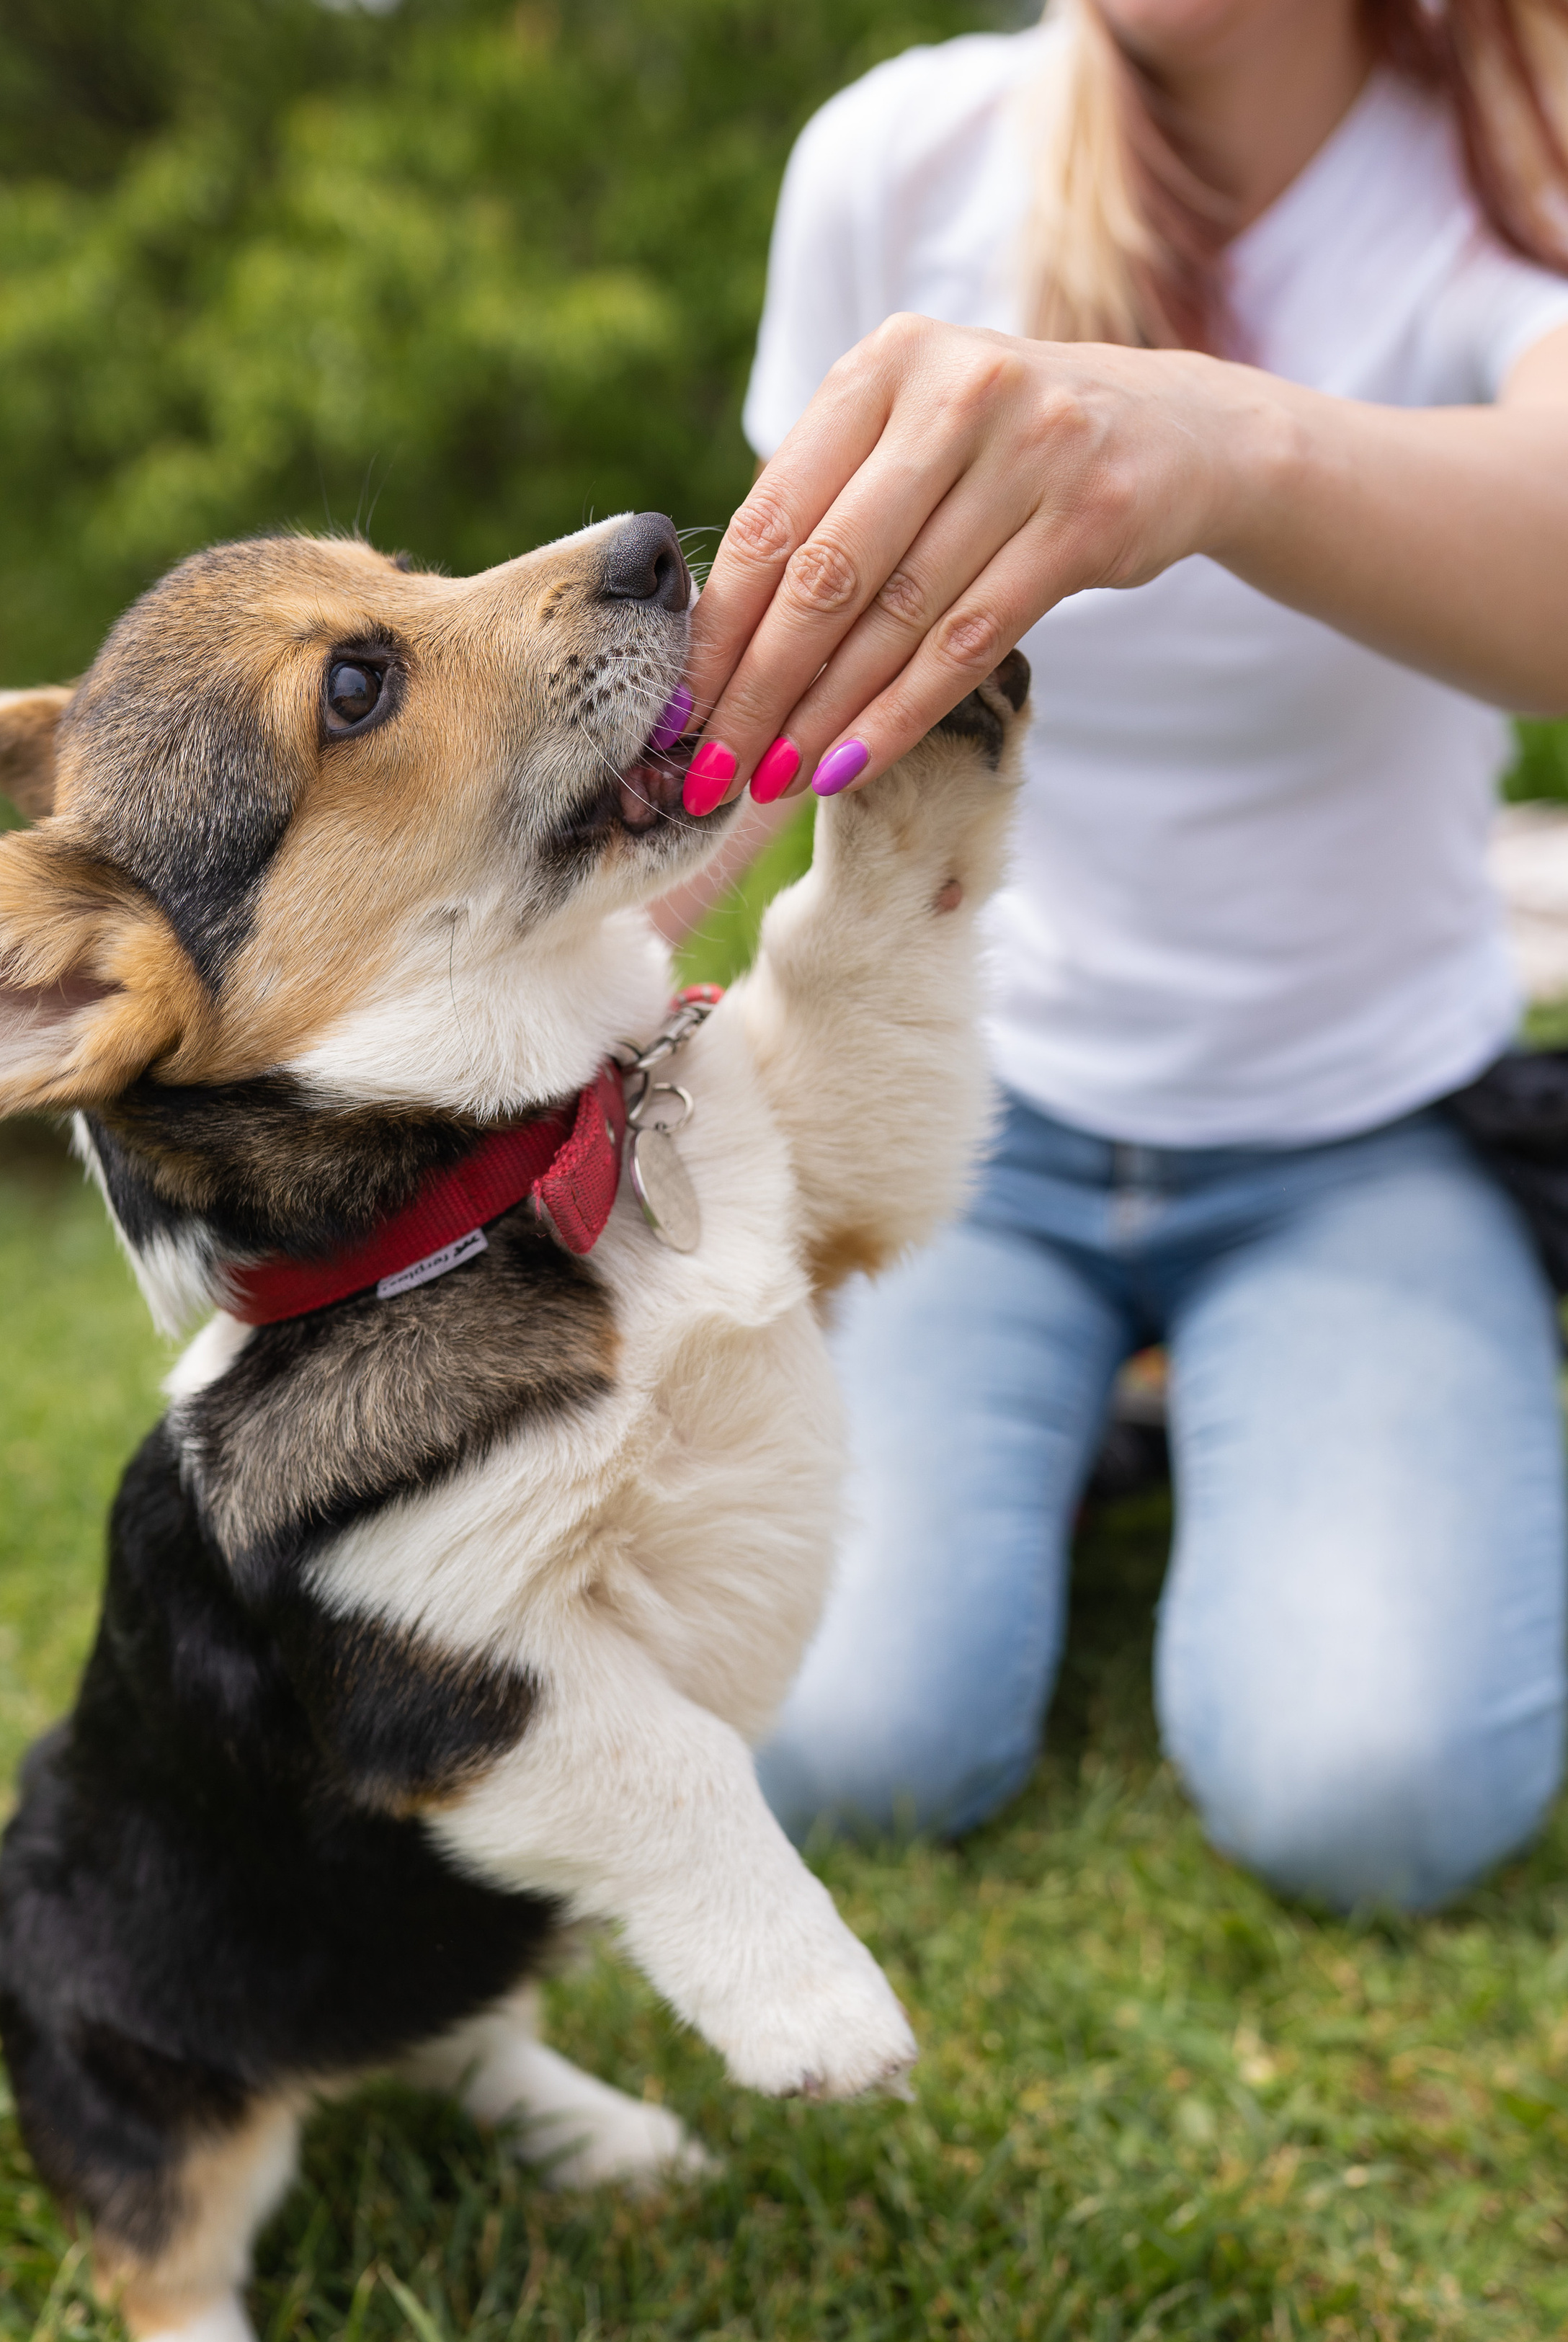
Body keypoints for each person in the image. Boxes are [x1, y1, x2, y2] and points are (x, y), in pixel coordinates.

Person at [662, 0, 1568, 1910]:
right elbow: (786, 666)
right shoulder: (897, 161)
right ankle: (1090, 1418)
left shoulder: (1510, 154)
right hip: (978, 1118)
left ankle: (1147, 1404)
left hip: (1364, 1135)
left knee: (1377, 1800)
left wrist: (1232, 443)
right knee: (836, 1745)